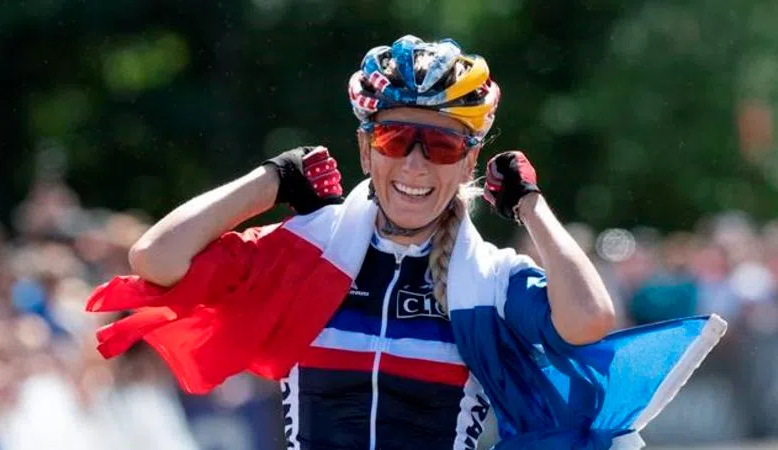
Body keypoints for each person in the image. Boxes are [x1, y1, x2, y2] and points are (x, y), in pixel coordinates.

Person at [86, 35, 727, 449]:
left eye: (442, 145)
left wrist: (531, 205)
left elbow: (589, 320)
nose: (416, 165)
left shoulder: (487, 278)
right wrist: (271, 180)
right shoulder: (307, 250)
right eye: (396, 140)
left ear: (469, 161)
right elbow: (156, 258)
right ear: (366, 148)